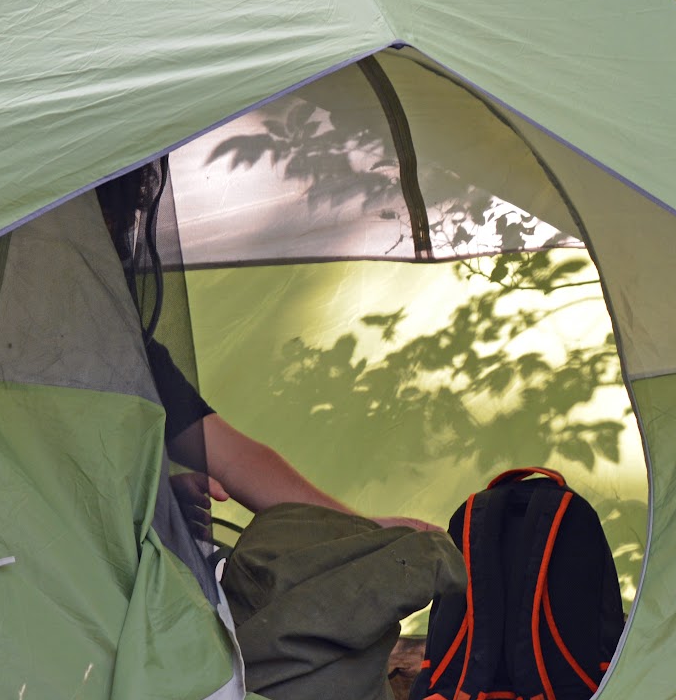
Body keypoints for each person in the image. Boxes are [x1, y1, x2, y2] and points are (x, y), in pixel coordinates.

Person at [97, 163, 435, 532]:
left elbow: (230, 455)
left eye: (119, 222)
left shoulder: (123, 349)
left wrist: (361, 530)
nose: (116, 236)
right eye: (103, 221)